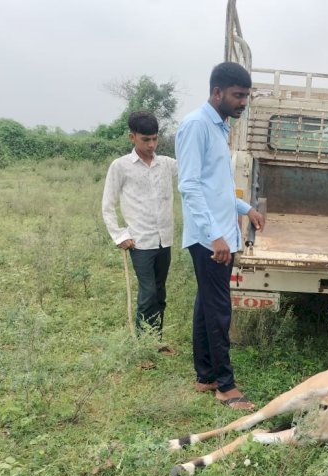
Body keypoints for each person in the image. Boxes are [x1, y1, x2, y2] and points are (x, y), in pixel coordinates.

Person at [176, 62, 265, 410]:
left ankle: (206, 376)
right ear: (217, 93)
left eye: (246, 96)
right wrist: (215, 236)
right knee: (219, 310)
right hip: (210, 239)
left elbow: (217, 186)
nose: (243, 102)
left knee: (206, 306)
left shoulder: (220, 126)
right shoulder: (196, 125)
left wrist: (246, 210)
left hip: (220, 233)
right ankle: (226, 387)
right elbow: (190, 186)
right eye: (238, 95)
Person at [102, 111, 177, 353]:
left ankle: (156, 341)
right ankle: (143, 350)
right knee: (148, 295)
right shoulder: (121, 166)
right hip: (140, 242)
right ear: (132, 137)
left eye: (155, 139)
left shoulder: (166, 164)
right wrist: (120, 235)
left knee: (161, 294)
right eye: (146, 139)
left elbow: (194, 171)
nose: (151, 145)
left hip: (164, 240)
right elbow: (108, 204)